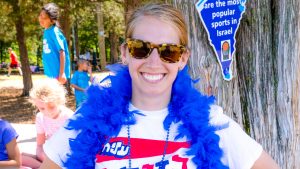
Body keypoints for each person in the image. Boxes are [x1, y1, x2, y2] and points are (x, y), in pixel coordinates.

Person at [40, 3, 280, 169]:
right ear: (125, 53)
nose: (154, 62)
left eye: (169, 51)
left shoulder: (211, 122)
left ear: (183, 59)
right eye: (141, 48)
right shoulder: (88, 119)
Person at [22, 78, 74, 168]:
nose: (48, 112)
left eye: (51, 106)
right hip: (50, 153)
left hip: (67, 155)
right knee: (19, 157)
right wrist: (42, 155)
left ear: (59, 101)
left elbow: (75, 146)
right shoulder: (40, 117)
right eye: (42, 108)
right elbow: (40, 144)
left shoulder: (69, 117)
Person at [39, 3, 71, 84]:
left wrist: (62, 73)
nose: (41, 19)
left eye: (44, 18)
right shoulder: (46, 31)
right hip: (50, 72)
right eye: (40, 15)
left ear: (52, 20)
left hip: (57, 73)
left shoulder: (55, 31)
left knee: (55, 96)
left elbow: (62, 52)